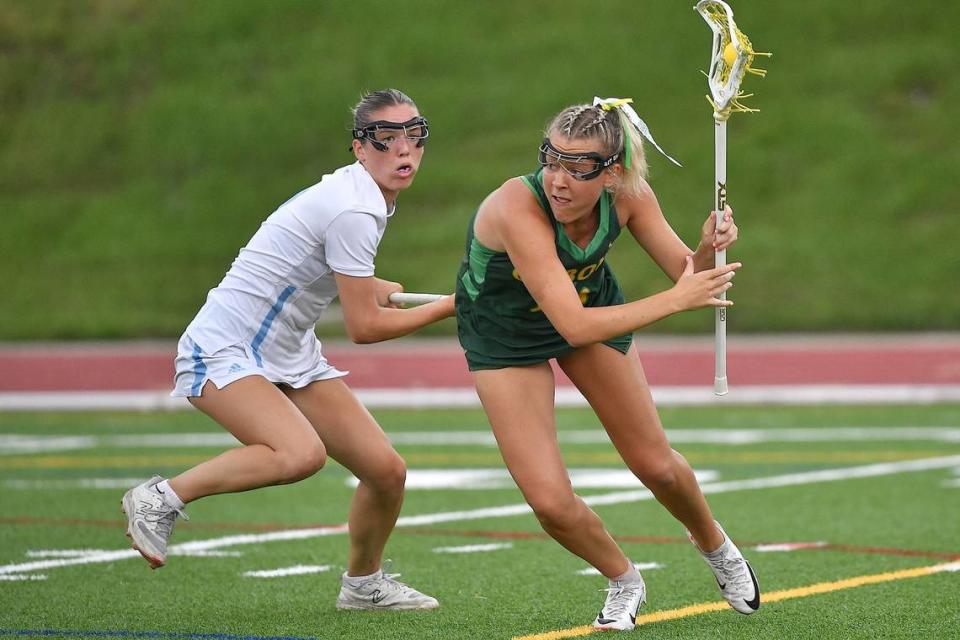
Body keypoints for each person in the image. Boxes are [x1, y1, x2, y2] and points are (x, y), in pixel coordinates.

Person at [122, 89, 453, 611]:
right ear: (359, 148)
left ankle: (363, 586)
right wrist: (450, 308)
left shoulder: (363, 199)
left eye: (414, 136)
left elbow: (344, 279)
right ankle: (159, 498)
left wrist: (396, 291)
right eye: (386, 138)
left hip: (287, 352)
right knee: (299, 455)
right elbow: (362, 326)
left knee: (386, 471)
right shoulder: (355, 208)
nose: (403, 150)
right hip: (225, 348)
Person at [455, 97, 758, 631]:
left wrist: (708, 248)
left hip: (592, 311)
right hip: (504, 338)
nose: (559, 181)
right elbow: (575, 325)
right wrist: (676, 300)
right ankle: (624, 579)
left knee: (657, 464)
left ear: (612, 172)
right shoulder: (515, 207)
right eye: (552, 160)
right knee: (549, 503)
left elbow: (684, 271)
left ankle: (714, 545)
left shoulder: (630, 196)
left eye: (578, 169)